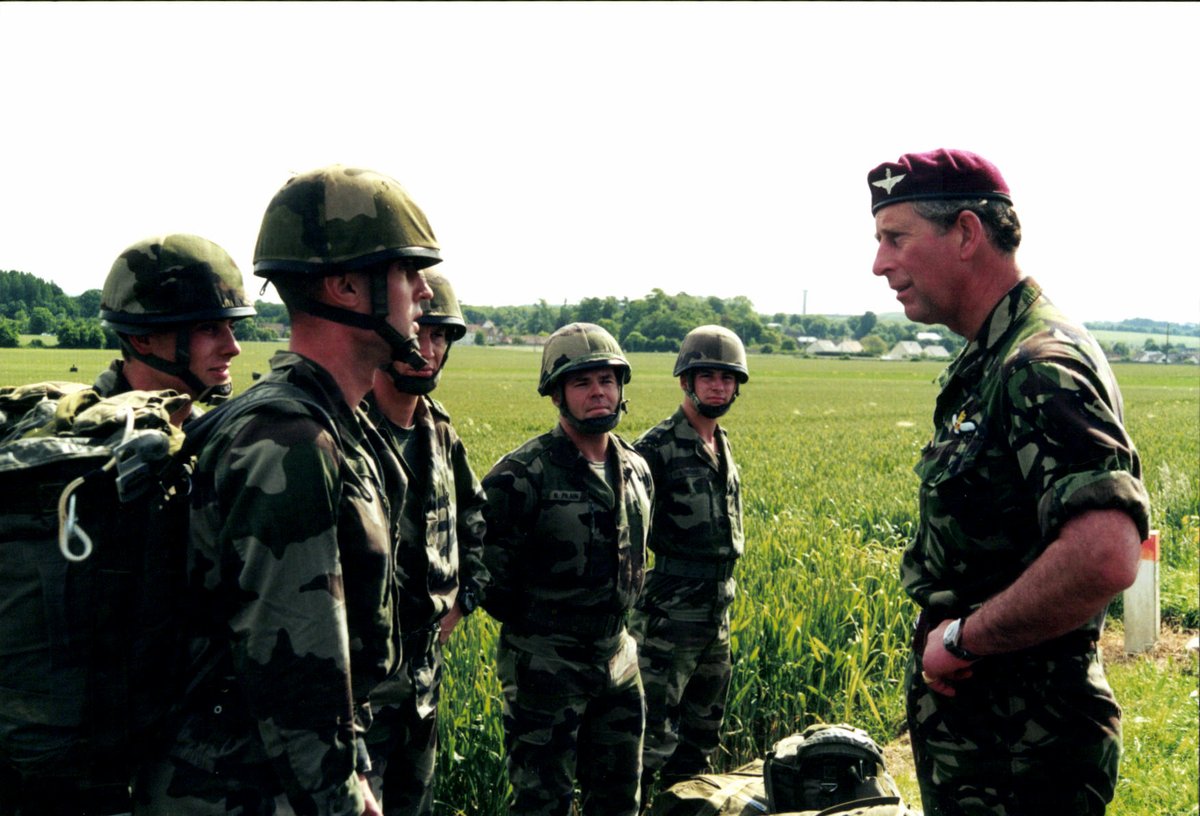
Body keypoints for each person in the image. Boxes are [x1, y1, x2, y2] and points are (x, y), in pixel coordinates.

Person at [134, 165, 437, 816]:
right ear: (346, 286)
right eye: (406, 273)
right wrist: (343, 801)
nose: (424, 293)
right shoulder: (289, 441)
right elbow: (297, 672)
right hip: (236, 790)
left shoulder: (335, 424)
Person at [868, 148, 1151, 816]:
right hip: (995, 747)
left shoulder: (1035, 363)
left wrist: (964, 638)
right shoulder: (992, 358)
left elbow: (1107, 552)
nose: (880, 264)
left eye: (895, 238)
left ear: (966, 233)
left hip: (1023, 754)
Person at [476, 322, 654, 816]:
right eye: (582, 382)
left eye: (607, 380)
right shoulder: (521, 474)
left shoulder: (637, 469)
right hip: (545, 665)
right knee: (542, 800)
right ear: (557, 395)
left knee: (620, 796)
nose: (598, 392)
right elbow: (488, 573)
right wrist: (545, 625)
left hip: (618, 655)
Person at [362, 269, 488, 815]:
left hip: (421, 681)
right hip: (357, 688)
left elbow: (476, 518)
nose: (429, 347)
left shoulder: (439, 432)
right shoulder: (343, 429)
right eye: (422, 331)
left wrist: (463, 600)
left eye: (442, 337)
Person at [630, 324, 748, 803]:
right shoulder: (653, 449)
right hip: (667, 621)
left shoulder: (721, 443)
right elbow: (628, 538)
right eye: (707, 376)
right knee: (647, 742)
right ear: (686, 381)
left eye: (727, 377)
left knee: (701, 738)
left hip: (715, 616)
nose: (718, 386)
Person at [98, 233, 255, 413]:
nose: (234, 348)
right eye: (209, 328)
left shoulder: (204, 432)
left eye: (231, 326)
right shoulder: (82, 437)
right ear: (142, 339)